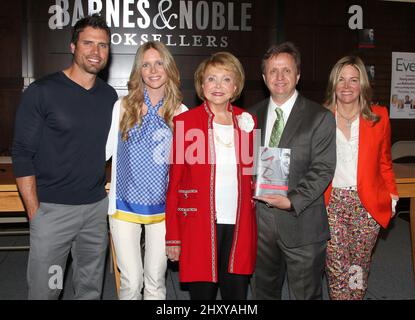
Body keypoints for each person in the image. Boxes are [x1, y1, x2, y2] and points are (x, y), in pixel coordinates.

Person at [12, 14, 117, 299]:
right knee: (49, 289)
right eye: (88, 43)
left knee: (90, 290)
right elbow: (22, 154)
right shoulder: (42, 92)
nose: (96, 52)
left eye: (103, 45)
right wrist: (36, 213)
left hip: (95, 211)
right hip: (52, 213)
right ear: (73, 46)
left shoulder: (109, 97)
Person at [165, 52, 257, 300]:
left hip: (240, 224)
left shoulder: (248, 122)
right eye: (211, 79)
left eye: (226, 79)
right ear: (201, 85)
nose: (218, 86)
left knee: (236, 295)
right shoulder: (185, 122)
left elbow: (251, 177)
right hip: (198, 225)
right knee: (202, 296)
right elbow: (174, 185)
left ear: (236, 85)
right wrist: (173, 236)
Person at [249, 42, 336, 300]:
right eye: (273, 71)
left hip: (303, 222)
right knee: (263, 293)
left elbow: (323, 168)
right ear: (264, 77)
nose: (279, 77)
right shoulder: (250, 117)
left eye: (286, 70)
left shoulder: (319, 117)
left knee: (305, 295)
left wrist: (292, 201)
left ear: (298, 75)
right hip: (260, 224)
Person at [106, 41, 187, 300]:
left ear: (169, 68)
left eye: (159, 63)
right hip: (123, 206)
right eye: (146, 64)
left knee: (155, 283)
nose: (153, 70)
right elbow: (103, 151)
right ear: (138, 71)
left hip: (163, 210)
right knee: (131, 282)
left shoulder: (182, 113)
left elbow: (187, 168)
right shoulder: (122, 107)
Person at [323, 55, 399, 300]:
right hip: (332, 203)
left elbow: (385, 162)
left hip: (366, 204)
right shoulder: (321, 117)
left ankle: (355, 297)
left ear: (362, 84)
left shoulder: (378, 116)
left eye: (353, 80)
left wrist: (392, 196)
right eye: (341, 80)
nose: (347, 86)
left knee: (358, 265)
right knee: (336, 266)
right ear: (334, 83)